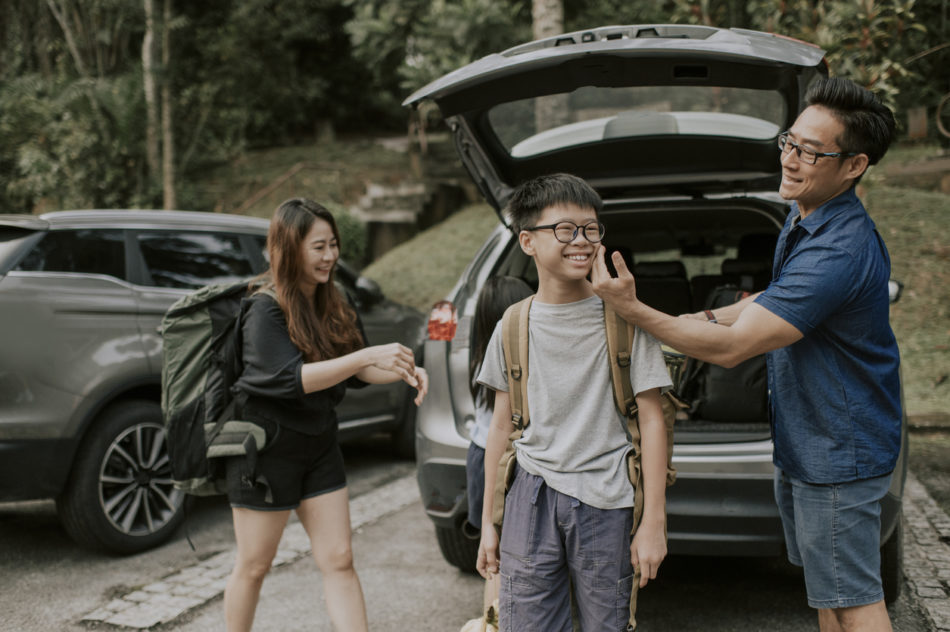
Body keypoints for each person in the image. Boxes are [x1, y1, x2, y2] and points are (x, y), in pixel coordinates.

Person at [591, 77, 900, 632]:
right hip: (809, 442)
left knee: (855, 601)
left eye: (810, 151)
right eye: (790, 142)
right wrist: (697, 319)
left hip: (838, 452)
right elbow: (769, 302)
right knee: (827, 593)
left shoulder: (838, 247)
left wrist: (634, 311)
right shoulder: (805, 218)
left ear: (853, 165)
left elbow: (734, 349)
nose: (791, 158)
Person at [475, 173, 673, 631]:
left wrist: (653, 522)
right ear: (528, 241)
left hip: (608, 498)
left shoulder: (625, 317)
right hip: (530, 494)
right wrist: (489, 521)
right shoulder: (512, 324)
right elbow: (500, 429)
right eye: (565, 229)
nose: (581, 240)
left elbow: (653, 417)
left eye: (590, 229)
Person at [222, 197, 428, 632]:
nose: (331, 255)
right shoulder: (264, 308)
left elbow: (356, 372)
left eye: (333, 244)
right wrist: (363, 357)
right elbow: (287, 379)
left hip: (318, 443)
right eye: (319, 246)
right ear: (289, 247)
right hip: (267, 450)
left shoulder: (335, 300)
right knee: (255, 565)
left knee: (339, 558)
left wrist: (404, 370)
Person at [466, 276, 534, 537]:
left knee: (493, 546)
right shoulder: (509, 362)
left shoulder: (478, 358)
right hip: (502, 459)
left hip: (479, 453)